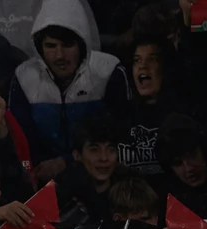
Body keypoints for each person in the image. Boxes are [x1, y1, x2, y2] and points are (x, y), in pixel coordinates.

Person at [8, 0, 129, 176]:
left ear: (82, 44)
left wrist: (67, 162)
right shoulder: (24, 76)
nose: (59, 55)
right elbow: (20, 139)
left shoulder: (108, 72)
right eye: (50, 46)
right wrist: (31, 170)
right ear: (39, 47)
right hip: (42, 176)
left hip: (100, 175)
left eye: (67, 45)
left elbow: (120, 135)